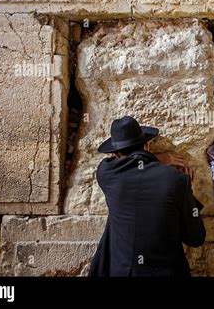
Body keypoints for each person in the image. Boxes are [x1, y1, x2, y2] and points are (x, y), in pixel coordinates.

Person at [88, 116, 206, 277]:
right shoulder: (177, 180)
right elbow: (195, 238)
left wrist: (155, 159)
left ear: (116, 154)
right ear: (147, 145)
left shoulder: (106, 175)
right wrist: (190, 194)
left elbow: (126, 164)